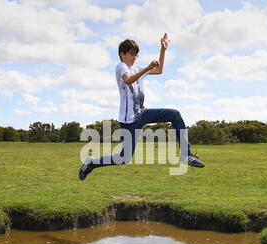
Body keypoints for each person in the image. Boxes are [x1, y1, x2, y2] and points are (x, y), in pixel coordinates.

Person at [79, 33, 205, 181]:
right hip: (129, 121)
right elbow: (128, 81)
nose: (134, 57)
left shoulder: (137, 67)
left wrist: (162, 50)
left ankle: (186, 155)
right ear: (122, 54)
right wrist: (147, 68)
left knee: (175, 115)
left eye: (136, 55)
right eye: (131, 54)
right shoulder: (121, 67)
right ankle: (91, 163)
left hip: (142, 113)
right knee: (124, 158)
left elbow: (159, 71)